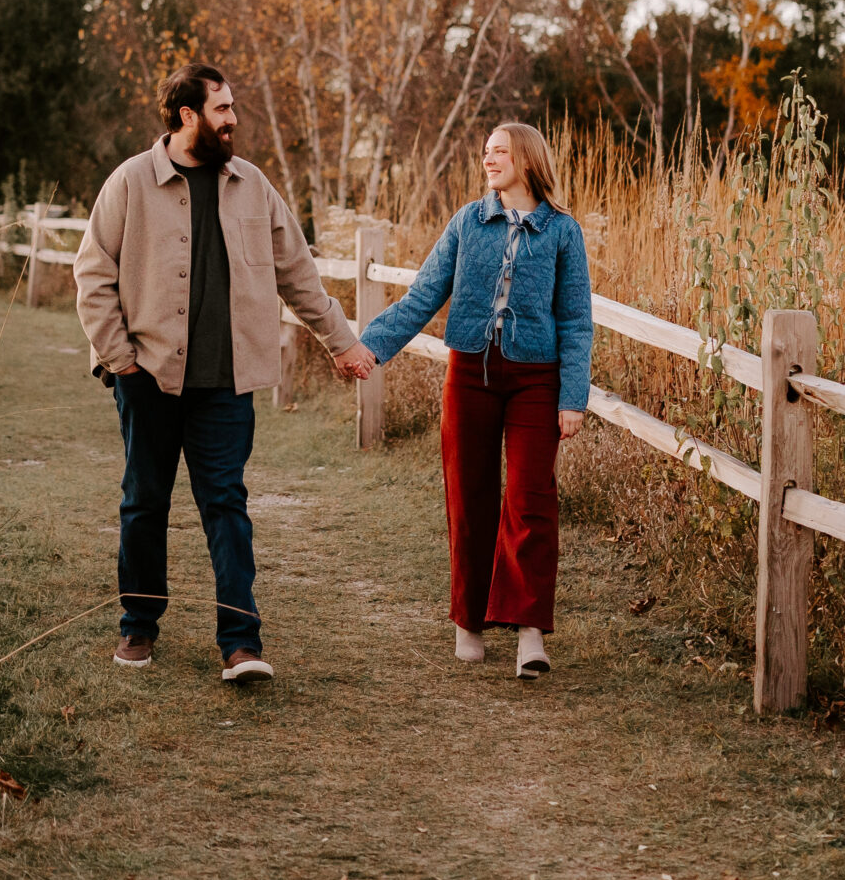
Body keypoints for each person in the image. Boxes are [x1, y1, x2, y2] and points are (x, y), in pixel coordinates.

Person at [72, 63, 377, 683]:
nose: (233, 119)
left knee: (227, 507)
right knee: (144, 503)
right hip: (148, 378)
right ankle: (138, 627)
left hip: (227, 383)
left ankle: (241, 643)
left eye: (232, 108)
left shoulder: (253, 185)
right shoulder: (131, 181)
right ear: (187, 116)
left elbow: (298, 273)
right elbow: (93, 275)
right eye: (222, 109)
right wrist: (121, 360)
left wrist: (341, 343)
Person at [359, 123, 592, 679]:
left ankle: (530, 629)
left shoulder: (563, 232)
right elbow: (424, 293)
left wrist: (572, 396)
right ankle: (469, 620)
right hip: (469, 373)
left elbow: (577, 319)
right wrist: (369, 346)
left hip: (537, 379)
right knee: (470, 495)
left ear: (527, 158)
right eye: (485, 151)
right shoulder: (468, 220)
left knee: (531, 496)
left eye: (500, 151)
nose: (489, 159)